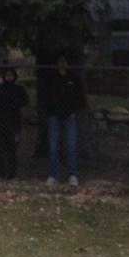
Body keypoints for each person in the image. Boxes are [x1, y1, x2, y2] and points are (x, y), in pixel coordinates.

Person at [46, 54, 85, 187]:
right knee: (53, 146)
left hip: (70, 117)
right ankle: (53, 175)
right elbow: (46, 97)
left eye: (65, 61)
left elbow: (81, 98)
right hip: (54, 116)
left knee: (71, 146)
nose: (62, 64)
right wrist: (51, 112)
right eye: (60, 61)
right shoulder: (51, 79)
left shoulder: (74, 79)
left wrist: (74, 112)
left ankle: (72, 175)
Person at [0, 68, 29, 181]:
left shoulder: (19, 89)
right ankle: (0, 174)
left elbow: (24, 101)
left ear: (14, 77)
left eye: (11, 75)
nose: (9, 77)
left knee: (12, 149)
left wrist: (13, 102)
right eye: (7, 75)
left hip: (14, 123)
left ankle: (12, 175)